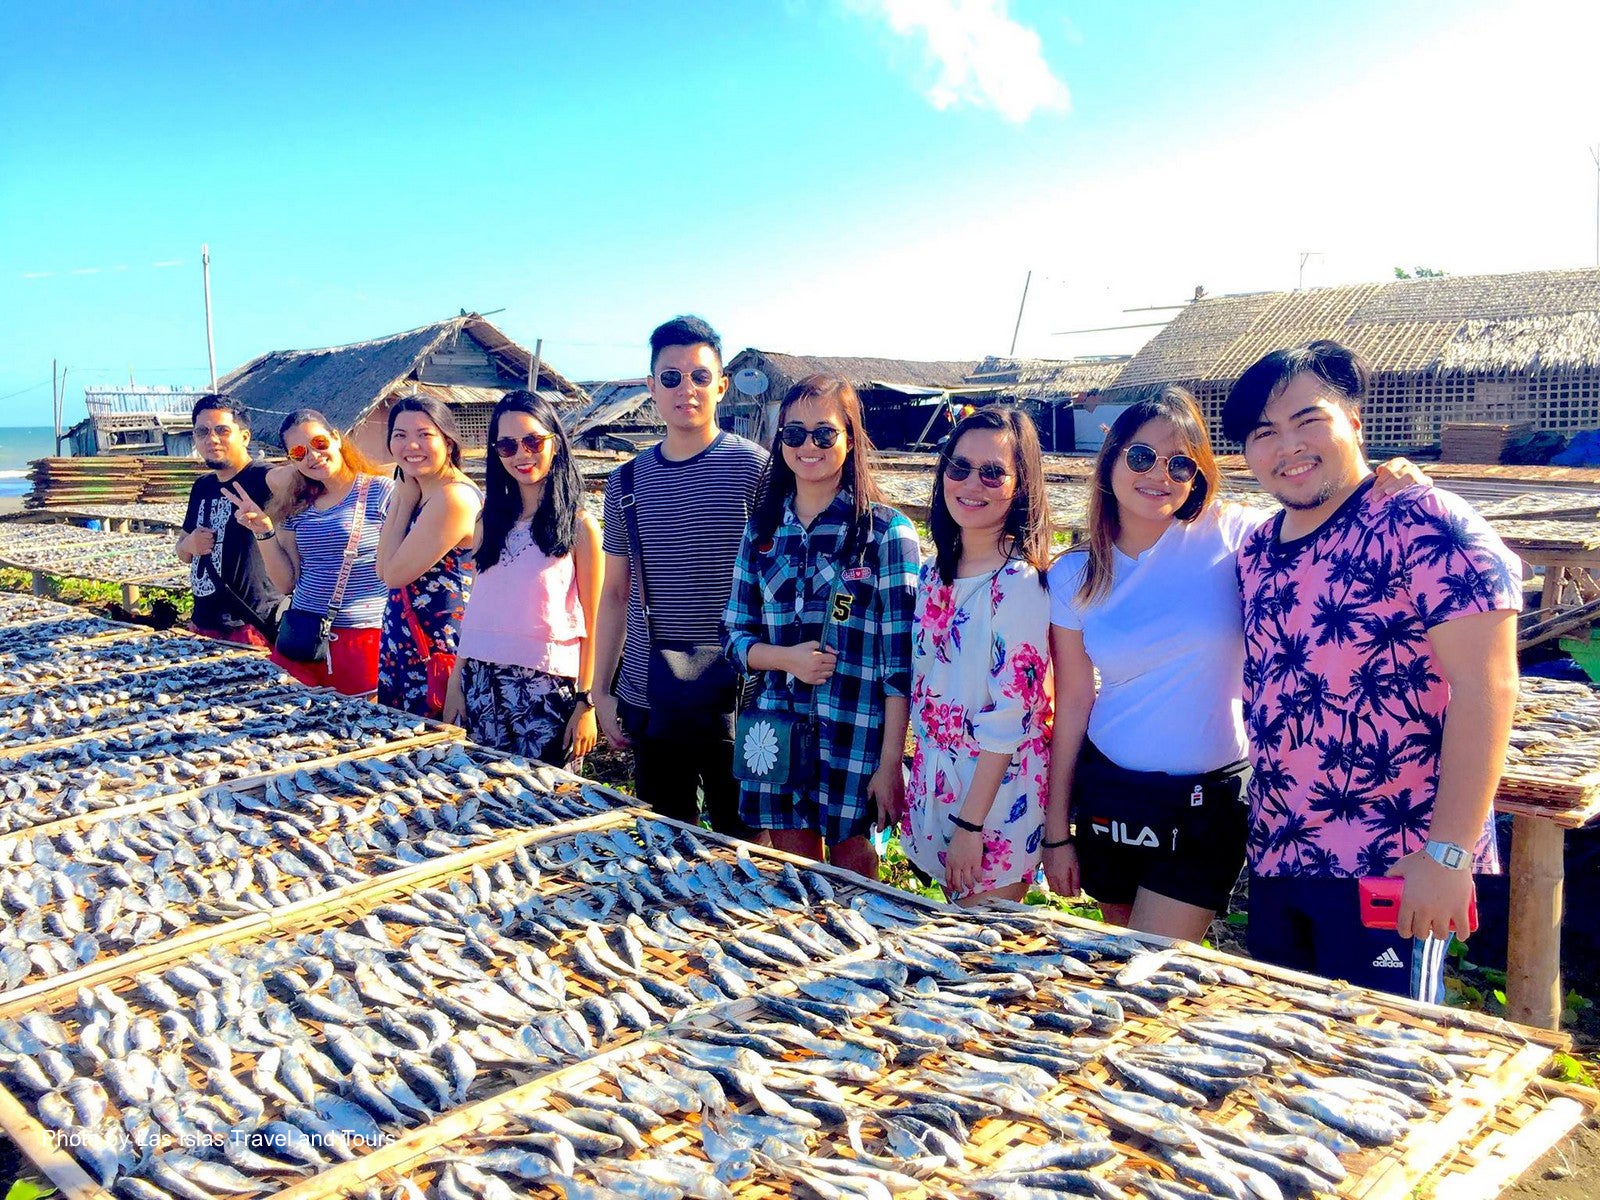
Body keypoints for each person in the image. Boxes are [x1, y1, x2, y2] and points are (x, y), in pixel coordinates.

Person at [1044, 388, 1431, 943]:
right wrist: (1058, 829)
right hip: (1112, 793)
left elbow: (1324, 513)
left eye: (1180, 463)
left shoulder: (1236, 534)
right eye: (1140, 456)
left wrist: (1381, 480)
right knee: (1120, 967)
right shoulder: (1075, 573)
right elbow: (1075, 701)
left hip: (1208, 800)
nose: (1159, 474)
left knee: (1155, 962)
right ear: (1110, 463)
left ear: (1198, 474)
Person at [1224, 339, 1521, 1002]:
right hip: (1279, 855)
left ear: (1354, 424)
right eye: (1264, 432)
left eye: (1309, 420)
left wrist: (1447, 855)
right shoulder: (1256, 550)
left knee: (1386, 1074)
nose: (1288, 446)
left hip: (1392, 865)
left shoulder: (1424, 520)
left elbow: (1489, 688)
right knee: (1287, 1059)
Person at [723, 373, 920, 878]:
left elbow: (900, 665)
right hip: (775, 727)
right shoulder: (762, 530)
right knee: (794, 868)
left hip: (856, 732)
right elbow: (734, 635)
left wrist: (890, 762)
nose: (807, 446)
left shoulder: (885, 532)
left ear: (849, 439)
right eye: (793, 434)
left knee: (856, 869)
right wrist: (785, 659)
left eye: (824, 434)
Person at [593, 316, 767, 838]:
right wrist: (600, 690)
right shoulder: (626, 481)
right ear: (651, 388)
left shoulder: (755, 470)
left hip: (742, 691)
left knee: (750, 842)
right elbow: (615, 593)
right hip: (652, 688)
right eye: (670, 378)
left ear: (721, 385)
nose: (685, 390)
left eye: (698, 376)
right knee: (665, 836)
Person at [903, 407, 1054, 905]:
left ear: (1021, 486)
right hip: (938, 787)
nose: (972, 483)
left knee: (980, 958)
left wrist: (970, 824)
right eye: (959, 467)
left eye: (993, 472)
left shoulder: (1020, 584)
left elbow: (1011, 717)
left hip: (993, 803)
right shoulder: (932, 573)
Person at [444, 391, 601, 765]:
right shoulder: (487, 523)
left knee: (548, 803)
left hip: (547, 689)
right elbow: (477, 609)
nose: (522, 455)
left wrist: (586, 701)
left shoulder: (580, 527)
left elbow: (596, 624)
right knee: (481, 799)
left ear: (555, 445)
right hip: (481, 681)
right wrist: (456, 683)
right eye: (507, 445)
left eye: (532, 441)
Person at [227, 410, 394, 697]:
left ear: (336, 439)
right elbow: (286, 583)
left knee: (361, 723)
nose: (313, 456)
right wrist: (262, 530)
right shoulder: (296, 503)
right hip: (302, 634)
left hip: (363, 635)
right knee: (290, 717)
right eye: (299, 451)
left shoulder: (381, 491)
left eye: (318, 443)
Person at [375, 395, 481, 717]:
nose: (412, 445)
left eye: (425, 434)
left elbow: (391, 575)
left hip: (437, 648)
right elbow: (383, 565)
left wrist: (404, 500)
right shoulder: (419, 489)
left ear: (448, 442)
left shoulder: (453, 497)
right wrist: (405, 496)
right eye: (400, 435)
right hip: (407, 641)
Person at [177, 394, 283, 646]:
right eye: (202, 432)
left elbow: (296, 478)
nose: (211, 439)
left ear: (244, 437)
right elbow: (182, 550)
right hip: (202, 623)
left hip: (252, 625)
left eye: (222, 430)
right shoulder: (202, 485)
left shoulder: (263, 477)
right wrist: (189, 544)